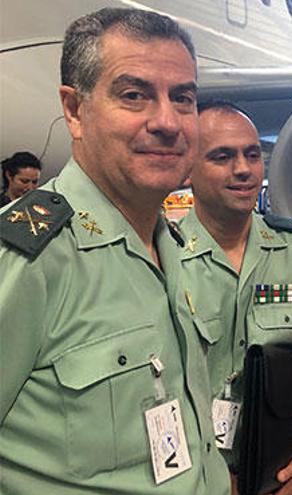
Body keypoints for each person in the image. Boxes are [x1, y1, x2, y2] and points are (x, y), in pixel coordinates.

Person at [0, 8, 228, 493]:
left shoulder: (176, 244)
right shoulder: (27, 257)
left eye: (183, 98)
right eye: (134, 95)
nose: (167, 121)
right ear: (75, 110)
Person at [178, 101, 292, 494]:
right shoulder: (163, 254)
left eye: (252, 154)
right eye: (222, 156)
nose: (243, 169)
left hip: (277, 473)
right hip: (192, 478)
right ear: (187, 169)